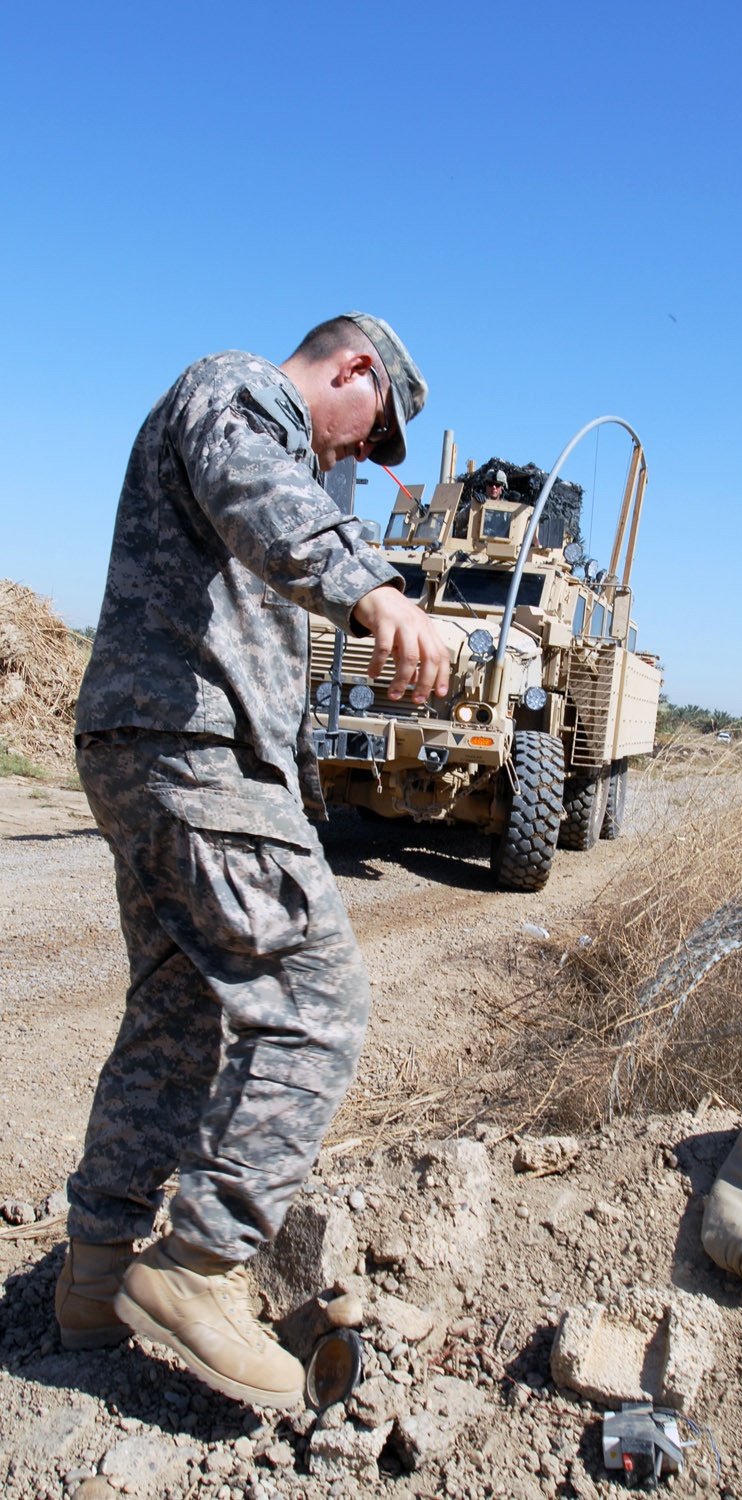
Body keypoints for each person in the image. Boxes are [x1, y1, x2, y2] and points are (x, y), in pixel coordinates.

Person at [54, 313, 450, 1409]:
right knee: (318, 1005)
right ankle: (200, 1267)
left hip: (153, 753)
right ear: (354, 370)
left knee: (176, 1014)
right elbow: (256, 488)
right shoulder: (236, 393)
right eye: (373, 437)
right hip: (194, 755)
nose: (357, 461)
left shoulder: (262, 439)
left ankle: (94, 1276)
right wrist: (374, 590)